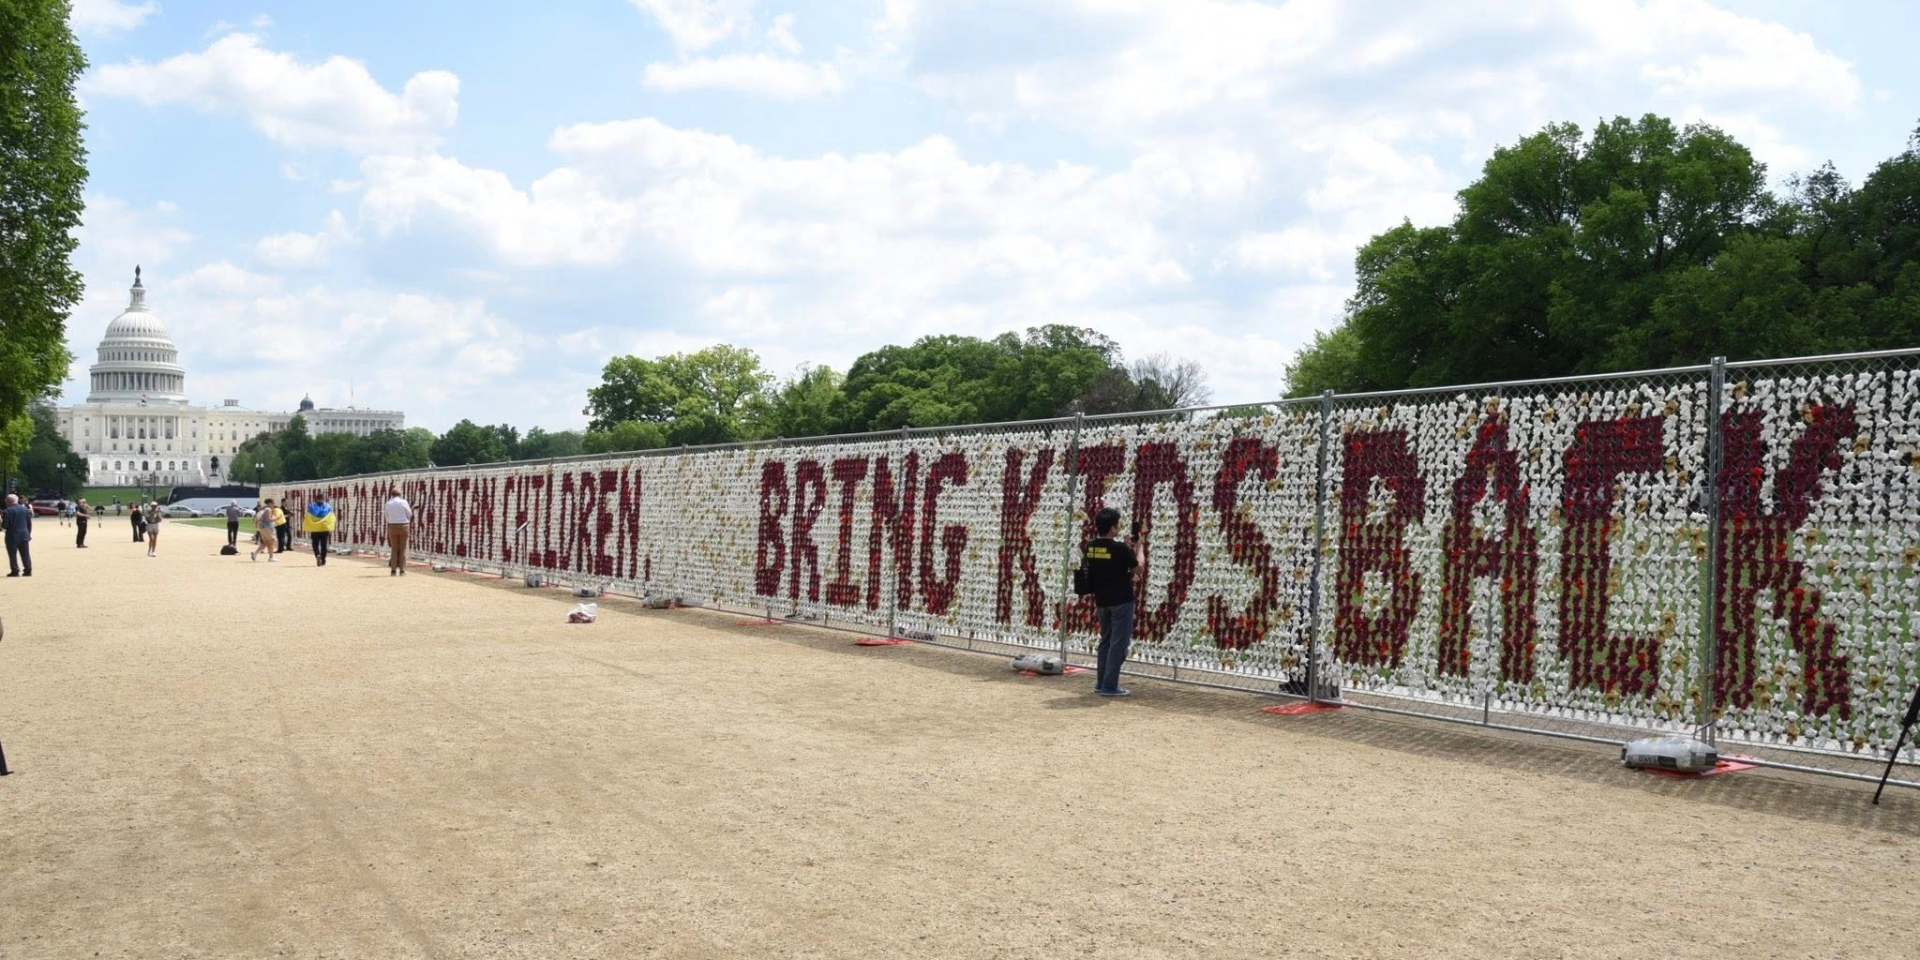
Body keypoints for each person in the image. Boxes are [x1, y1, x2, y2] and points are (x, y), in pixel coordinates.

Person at [1082, 506, 1140, 697]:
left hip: (1102, 601)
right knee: (1119, 644)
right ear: (1113, 528)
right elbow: (1138, 570)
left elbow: (1107, 557)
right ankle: (1110, 685)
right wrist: (1139, 551)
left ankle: (1101, 682)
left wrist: (1124, 547)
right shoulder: (1120, 549)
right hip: (1121, 600)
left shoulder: (1090, 546)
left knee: (1105, 641)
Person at [384, 488, 412, 577]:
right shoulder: (404, 502)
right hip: (404, 525)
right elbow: (409, 514)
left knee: (394, 548)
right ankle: (402, 571)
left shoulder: (388, 503)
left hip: (392, 526)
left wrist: (391, 521)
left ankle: (393, 570)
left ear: (392, 495)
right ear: (400, 495)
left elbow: (386, 516)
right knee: (402, 548)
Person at [3, 494, 32, 577]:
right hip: (24, 535)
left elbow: (5, 526)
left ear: (9, 501)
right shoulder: (25, 510)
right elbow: (29, 524)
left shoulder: (7, 511)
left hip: (12, 536)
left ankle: (15, 570)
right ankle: (28, 570)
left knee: (12, 554)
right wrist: (28, 534)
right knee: (25, 554)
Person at [304, 492, 336, 566]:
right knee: (324, 545)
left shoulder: (311, 506)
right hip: (324, 528)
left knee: (315, 544)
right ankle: (323, 560)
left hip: (315, 529)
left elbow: (308, 517)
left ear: (316, 499)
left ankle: (317, 554)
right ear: (323, 498)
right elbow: (331, 517)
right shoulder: (328, 507)